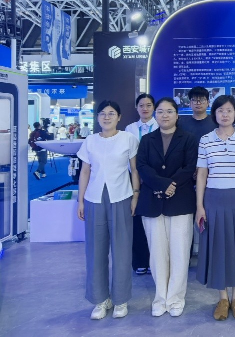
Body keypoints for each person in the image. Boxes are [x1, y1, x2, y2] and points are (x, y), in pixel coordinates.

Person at [195, 95, 235, 321]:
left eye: (229, 110)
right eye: (220, 110)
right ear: (214, 114)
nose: (225, 114)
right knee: (218, 247)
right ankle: (223, 299)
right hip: (213, 199)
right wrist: (200, 206)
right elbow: (202, 174)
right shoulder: (206, 140)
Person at [76, 100, 140, 320]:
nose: (106, 117)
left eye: (111, 113)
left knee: (122, 251)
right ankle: (100, 300)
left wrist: (136, 196)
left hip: (121, 196)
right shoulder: (90, 141)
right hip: (94, 199)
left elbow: (134, 170)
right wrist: (80, 201)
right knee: (95, 251)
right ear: (97, 117)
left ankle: (121, 299)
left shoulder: (128, 139)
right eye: (102, 113)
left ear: (119, 117)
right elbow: (85, 171)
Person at [136, 97, 197, 317]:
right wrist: (162, 185)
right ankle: (160, 298)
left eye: (169, 111)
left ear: (177, 115)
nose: (164, 115)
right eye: (160, 111)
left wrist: (170, 185)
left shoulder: (188, 139)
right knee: (157, 253)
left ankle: (176, 298)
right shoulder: (146, 140)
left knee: (179, 252)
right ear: (155, 115)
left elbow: (190, 167)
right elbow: (142, 166)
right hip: (152, 200)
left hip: (180, 201)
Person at [125, 93, 159, 276]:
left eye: (148, 105)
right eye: (141, 105)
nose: (145, 108)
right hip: (134, 179)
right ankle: (140, 261)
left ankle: (155, 261)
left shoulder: (160, 125)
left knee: (155, 223)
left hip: (155, 178)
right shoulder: (130, 129)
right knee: (137, 220)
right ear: (136, 108)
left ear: (154, 107)